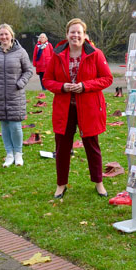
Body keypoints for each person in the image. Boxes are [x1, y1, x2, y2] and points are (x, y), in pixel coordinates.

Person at [43, 19, 113, 198]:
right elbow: (47, 80)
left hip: (88, 108)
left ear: (84, 35)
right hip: (64, 108)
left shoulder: (95, 54)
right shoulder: (57, 54)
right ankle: (61, 184)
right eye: (72, 32)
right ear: (67, 34)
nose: (75, 35)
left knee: (92, 146)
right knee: (62, 147)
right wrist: (62, 87)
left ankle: (99, 182)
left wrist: (84, 86)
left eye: (79, 32)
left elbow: (107, 79)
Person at [0, 24, 33, 167]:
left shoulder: (21, 52)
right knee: (4, 126)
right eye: (1, 35)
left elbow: (28, 70)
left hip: (15, 95)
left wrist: (20, 83)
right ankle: (9, 154)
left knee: (16, 126)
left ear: (12, 35)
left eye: (6, 34)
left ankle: (18, 153)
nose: (4, 37)